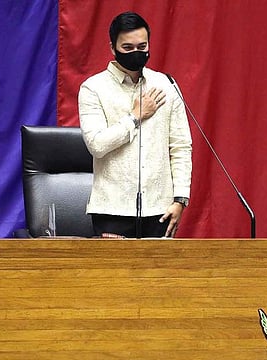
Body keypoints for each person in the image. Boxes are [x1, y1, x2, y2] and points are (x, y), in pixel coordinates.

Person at [78, 11, 192, 238]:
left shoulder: (166, 84)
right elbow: (97, 145)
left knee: (159, 274)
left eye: (142, 47)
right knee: (112, 275)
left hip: (160, 209)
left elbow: (180, 147)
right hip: (112, 210)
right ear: (113, 48)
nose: (136, 53)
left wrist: (180, 199)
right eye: (128, 48)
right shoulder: (93, 88)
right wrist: (134, 117)